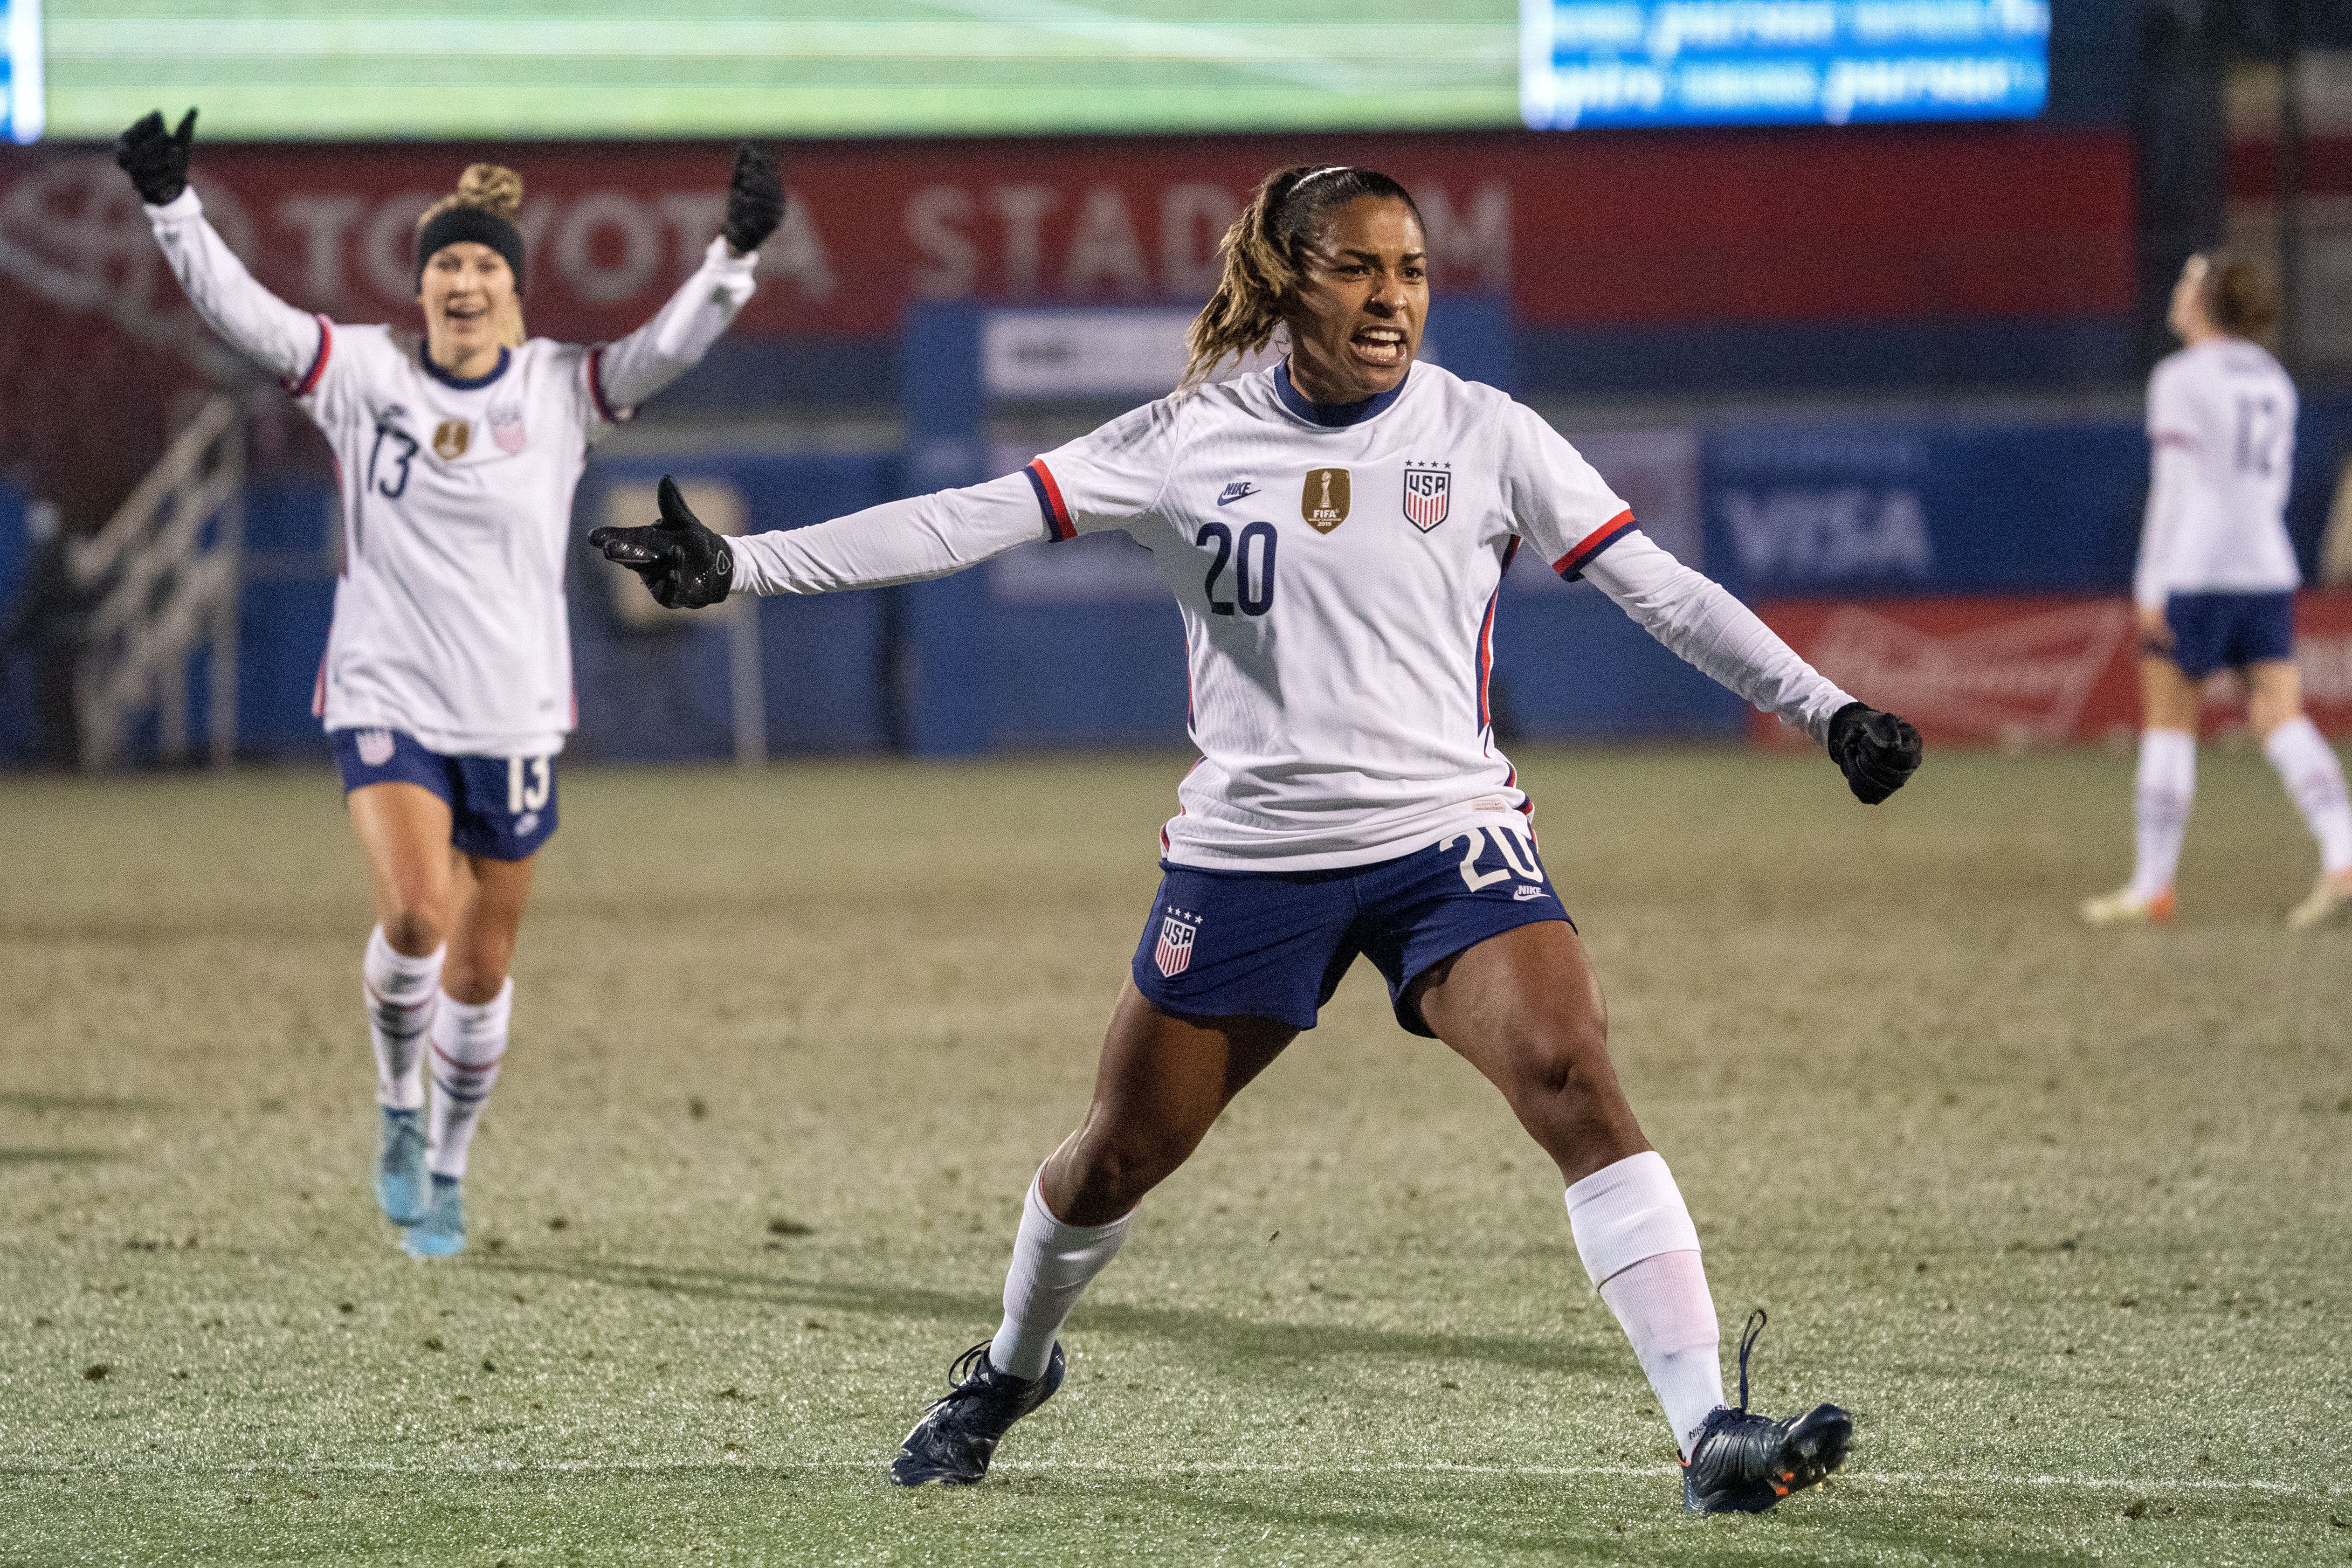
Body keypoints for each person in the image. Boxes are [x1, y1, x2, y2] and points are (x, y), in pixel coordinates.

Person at [593, 164, 1922, 1514]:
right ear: (1288, 278)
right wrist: (744, 567)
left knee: (1571, 1074)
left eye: (1408, 272)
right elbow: (962, 517)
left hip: (1443, 840)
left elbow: (1663, 589)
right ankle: (1007, 1368)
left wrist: (1826, 708)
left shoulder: (1485, 433)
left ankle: (1707, 1435)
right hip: (1248, 859)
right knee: (1117, 1154)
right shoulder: (1184, 437)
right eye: (1355, 267)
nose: (1389, 297)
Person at [117, 109, 786, 1256]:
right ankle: (393, 1102)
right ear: (422, 288)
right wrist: (173, 208)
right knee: (418, 911)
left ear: (515, 293)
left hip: (515, 710)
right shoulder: (362, 372)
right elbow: (249, 314)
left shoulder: (560, 387)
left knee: (482, 967)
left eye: (484, 264)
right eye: (446, 265)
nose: (464, 280)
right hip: (387, 692)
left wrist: (732, 258)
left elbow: (666, 349)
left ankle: (449, 1161)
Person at [2082, 252, 2352, 930]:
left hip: (2197, 571)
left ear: (2204, 302)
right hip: (2265, 565)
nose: (2174, 293)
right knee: (2279, 717)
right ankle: (2344, 853)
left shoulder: (2180, 377)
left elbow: (2174, 486)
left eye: (2184, 283)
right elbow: (2274, 486)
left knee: (2169, 723)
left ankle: (2152, 888)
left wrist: (2150, 581)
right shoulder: (2272, 378)